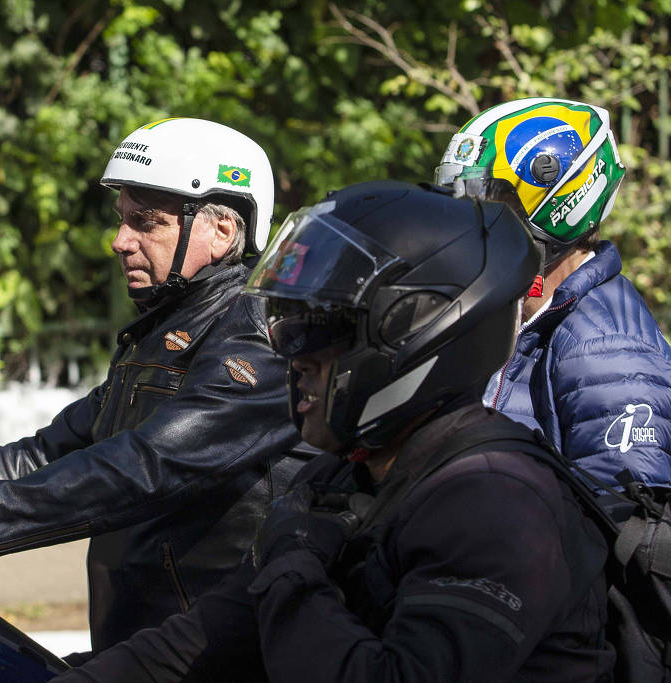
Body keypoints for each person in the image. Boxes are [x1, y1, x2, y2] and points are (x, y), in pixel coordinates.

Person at [55, 181, 614, 682]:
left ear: (415, 336)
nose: (289, 354)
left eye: (318, 327)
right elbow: (209, 637)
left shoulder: (496, 502)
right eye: (286, 323)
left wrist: (292, 572)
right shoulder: (349, 473)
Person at [0, 117, 308, 653]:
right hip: (141, 646)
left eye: (146, 222)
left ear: (222, 232)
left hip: (217, 657)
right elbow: (43, 455)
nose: (120, 241)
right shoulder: (159, 334)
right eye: (122, 220)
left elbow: (143, 466)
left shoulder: (254, 335)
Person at [434, 97, 671, 495]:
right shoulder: (519, 314)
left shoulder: (606, 348)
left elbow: (627, 524)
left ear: (559, 205)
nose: (469, 228)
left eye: (488, 205)